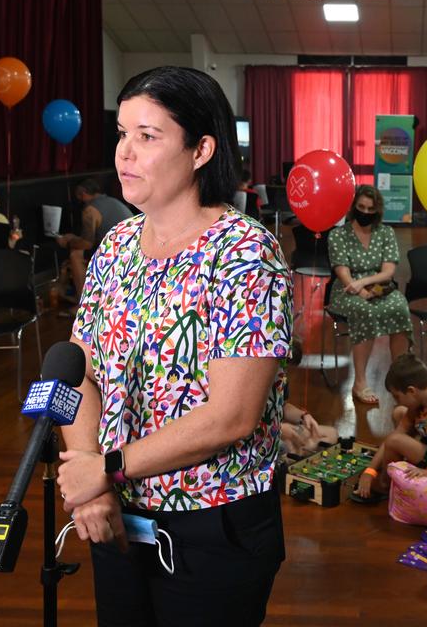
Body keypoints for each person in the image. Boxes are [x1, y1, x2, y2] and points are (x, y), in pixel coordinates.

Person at [56, 66, 292, 627]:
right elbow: (75, 370)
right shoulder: (114, 246)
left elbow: (231, 416)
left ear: (201, 149)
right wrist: (91, 483)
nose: (125, 154)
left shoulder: (243, 254)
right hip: (114, 515)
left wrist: (105, 468)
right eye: (121, 134)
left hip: (213, 529)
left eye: (148, 136)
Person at [327, 185, 413, 406]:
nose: (365, 213)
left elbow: (388, 271)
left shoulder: (386, 233)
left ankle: (399, 378)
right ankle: (360, 382)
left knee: (399, 307)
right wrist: (356, 287)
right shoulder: (339, 234)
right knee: (364, 311)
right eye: (361, 207)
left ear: (377, 210)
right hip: (346, 290)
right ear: (354, 206)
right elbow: (341, 270)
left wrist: (364, 283)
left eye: (370, 209)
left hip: (378, 286)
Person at [352, 353, 427, 502]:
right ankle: (395, 468)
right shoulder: (418, 404)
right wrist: (370, 470)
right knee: (399, 413)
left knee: (395, 441)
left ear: (412, 391)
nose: (396, 400)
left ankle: (386, 486)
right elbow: (396, 433)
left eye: (397, 396)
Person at [56, 178, 132, 299]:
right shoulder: (113, 201)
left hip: (120, 253)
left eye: (78, 197)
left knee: (75, 255)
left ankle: (82, 304)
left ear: (83, 193)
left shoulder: (90, 210)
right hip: (134, 247)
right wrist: (75, 238)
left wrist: (68, 242)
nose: (79, 201)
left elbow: (87, 244)